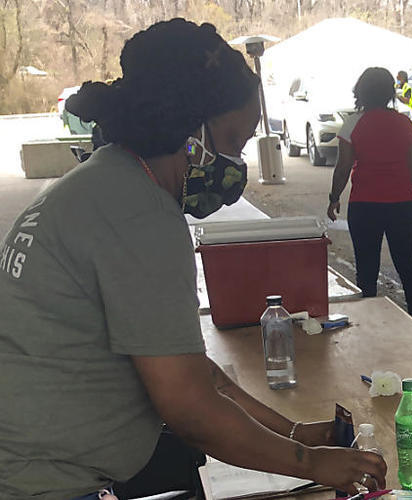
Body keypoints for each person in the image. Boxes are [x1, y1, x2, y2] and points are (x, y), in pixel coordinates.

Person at [0, 19, 386, 499]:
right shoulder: (140, 214)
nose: (235, 164)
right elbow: (190, 408)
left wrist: (292, 435)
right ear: (189, 130)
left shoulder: (103, 182)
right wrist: (314, 465)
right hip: (41, 484)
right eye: (230, 143)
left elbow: (193, 372)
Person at [327, 67, 412, 327]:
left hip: (365, 207)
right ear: (389, 93)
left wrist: (334, 197)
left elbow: (343, 167)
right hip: (403, 206)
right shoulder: (405, 123)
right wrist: (399, 189)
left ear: (360, 92)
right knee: (408, 267)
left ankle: (368, 325)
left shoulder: (352, 124)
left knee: (367, 269)